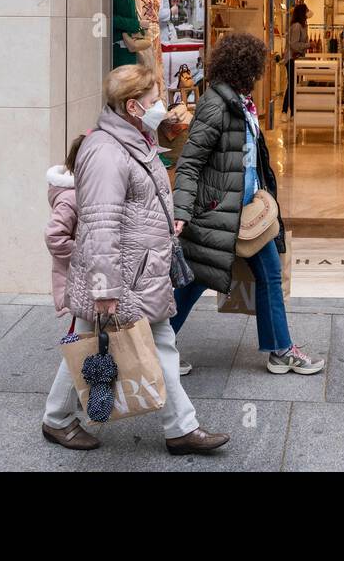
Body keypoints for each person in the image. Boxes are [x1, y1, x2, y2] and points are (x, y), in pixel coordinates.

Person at [41, 64, 230, 454]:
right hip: (119, 273)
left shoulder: (134, 140)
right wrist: (105, 287)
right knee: (92, 340)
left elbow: (136, 203)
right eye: (153, 100)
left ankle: (179, 428)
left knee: (152, 341)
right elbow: (101, 224)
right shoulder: (106, 151)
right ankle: (58, 419)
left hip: (140, 268)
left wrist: (166, 221)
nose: (160, 105)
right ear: (132, 106)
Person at [172, 33, 325, 375]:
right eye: (258, 68)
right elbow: (191, 162)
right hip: (217, 213)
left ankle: (280, 349)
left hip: (246, 214)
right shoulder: (216, 105)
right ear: (246, 69)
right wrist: (181, 211)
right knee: (196, 278)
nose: (261, 74)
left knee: (268, 273)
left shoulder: (241, 103)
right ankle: (156, 346)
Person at [42, 136, 84, 316]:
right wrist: (86, 253)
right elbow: (54, 237)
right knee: (87, 330)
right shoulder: (70, 198)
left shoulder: (81, 191)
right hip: (78, 280)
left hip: (85, 279)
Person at [282, 2, 311, 115]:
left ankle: (291, 111)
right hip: (291, 59)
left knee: (294, 85)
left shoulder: (302, 26)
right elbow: (294, 44)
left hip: (297, 60)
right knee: (292, 85)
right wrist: (308, 45)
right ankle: (286, 110)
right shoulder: (297, 26)